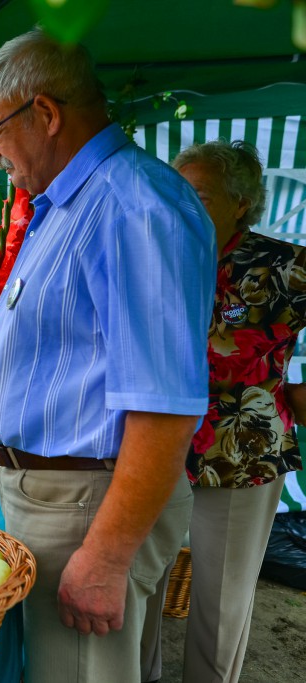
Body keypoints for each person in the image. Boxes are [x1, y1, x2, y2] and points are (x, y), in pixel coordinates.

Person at [0, 30, 215, 683]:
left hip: (87, 502)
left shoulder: (132, 207)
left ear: (47, 114)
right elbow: (85, 335)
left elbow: (164, 405)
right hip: (68, 494)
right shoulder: (70, 200)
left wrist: (106, 556)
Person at [140, 141, 306, 683]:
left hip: (243, 451)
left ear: (240, 203)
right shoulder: (159, 256)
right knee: (141, 579)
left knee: (220, 597)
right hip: (156, 443)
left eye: (201, 194)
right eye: (177, 192)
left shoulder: (282, 265)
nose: (183, 205)